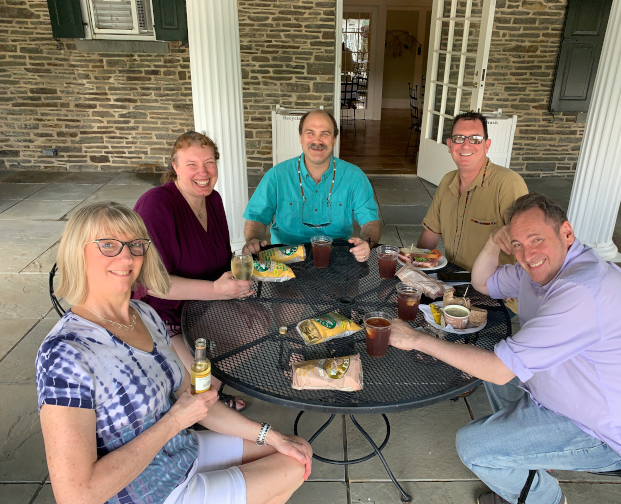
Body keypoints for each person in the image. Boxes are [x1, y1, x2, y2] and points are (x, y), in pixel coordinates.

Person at [388, 194, 621, 504]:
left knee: (474, 446)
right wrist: (495, 241)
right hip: (574, 393)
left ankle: (546, 498)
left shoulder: (583, 291)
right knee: (489, 353)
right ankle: (527, 457)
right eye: (518, 243)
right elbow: (484, 283)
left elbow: (497, 370)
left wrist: (415, 339)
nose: (527, 253)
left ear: (566, 232)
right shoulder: (546, 267)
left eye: (537, 239)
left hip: (609, 434)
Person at [36, 202, 312, 504]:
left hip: (179, 452)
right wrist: (174, 421)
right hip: (146, 492)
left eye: (135, 244)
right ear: (79, 252)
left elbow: (194, 401)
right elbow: (75, 496)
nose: (126, 256)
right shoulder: (64, 354)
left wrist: (271, 436)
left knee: (293, 449)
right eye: (108, 245)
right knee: (291, 467)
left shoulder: (143, 314)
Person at [134, 131, 250, 411]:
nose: (203, 172)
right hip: (161, 311)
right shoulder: (156, 203)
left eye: (210, 163)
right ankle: (195, 409)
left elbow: (220, 261)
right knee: (203, 378)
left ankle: (208, 400)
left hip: (203, 304)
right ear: (174, 166)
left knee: (256, 325)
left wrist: (237, 273)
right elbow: (153, 283)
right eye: (192, 164)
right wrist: (215, 290)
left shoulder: (214, 200)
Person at [415, 111, 528, 313]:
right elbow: (431, 233)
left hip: (495, 290)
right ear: (449, 145)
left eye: (475, 139)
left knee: (449, 338)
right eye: (459, 138)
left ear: (487, 145)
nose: (466, 145)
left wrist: (518, 284)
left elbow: (527, 242)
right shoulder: (448, 181)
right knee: (408, 309)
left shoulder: (508, 183)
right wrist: (414, 269)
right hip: (453, 282)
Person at [242, 109, 380, 262]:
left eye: (325, 134)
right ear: (300, 137)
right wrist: (253, 239)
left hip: (338, 259)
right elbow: (256, 218)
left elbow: (371, 222)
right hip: (286, 260)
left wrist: (366, 242)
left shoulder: (354, 176)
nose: (317, 141)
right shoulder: (276, 176)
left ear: (334, 140)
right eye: (310, 133)